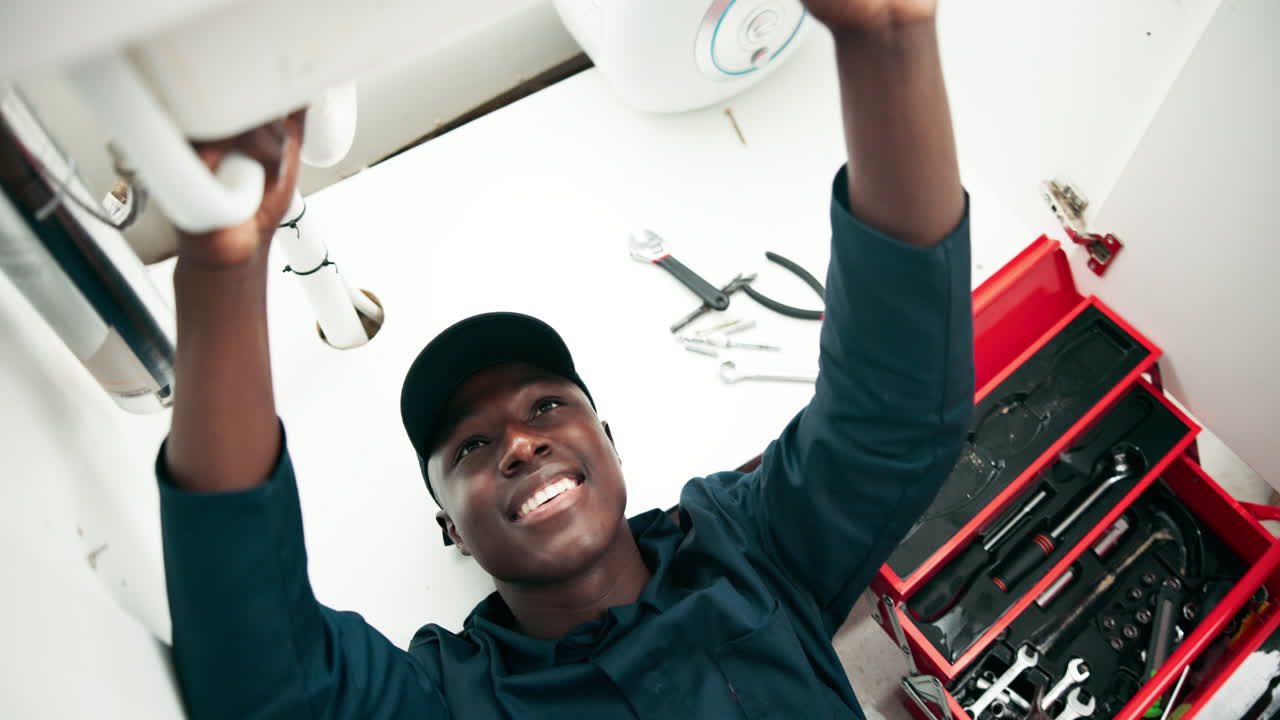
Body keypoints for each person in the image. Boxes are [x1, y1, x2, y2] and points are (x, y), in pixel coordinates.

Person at [158, 0, 973, 716]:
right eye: (471, 446)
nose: (519, 442)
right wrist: (223, 260)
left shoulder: (747, 545)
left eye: (547, 406)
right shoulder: (443, 699)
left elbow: (894, 410)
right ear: (453, 529)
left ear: (608, 441)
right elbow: (264, 674)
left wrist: (888, 34)